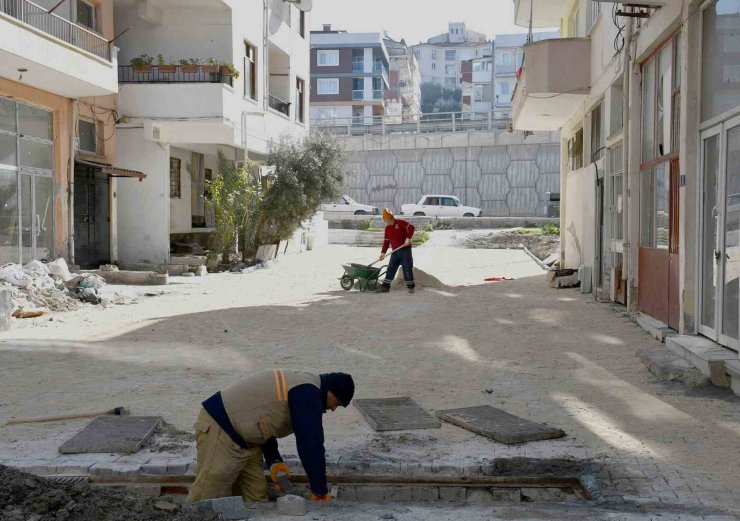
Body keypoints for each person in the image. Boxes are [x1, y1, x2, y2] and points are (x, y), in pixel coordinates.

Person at [186, 369, 355, 503]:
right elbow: (310, 443)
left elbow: (264, 417)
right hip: (222, 429)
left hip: (248, 441)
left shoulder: (304, 386)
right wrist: (320, 491)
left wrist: (274, 460)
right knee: (207, 496)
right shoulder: (307, 392)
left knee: (255, 497)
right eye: (337, 403)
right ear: (330, 391)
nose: (333, 409)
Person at [376, 208, 415, 293]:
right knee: (391, 268)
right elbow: (386, 242)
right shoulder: (387, 229)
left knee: (407, 268)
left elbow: (411, 228)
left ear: (392, 217)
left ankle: (410, 287)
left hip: (405, 250)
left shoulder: (401, 223)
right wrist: (383, 253)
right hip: (395, 251)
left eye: (388, 219)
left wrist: (408, 238)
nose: (387, 222)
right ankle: (385, 287)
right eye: (385, 220)